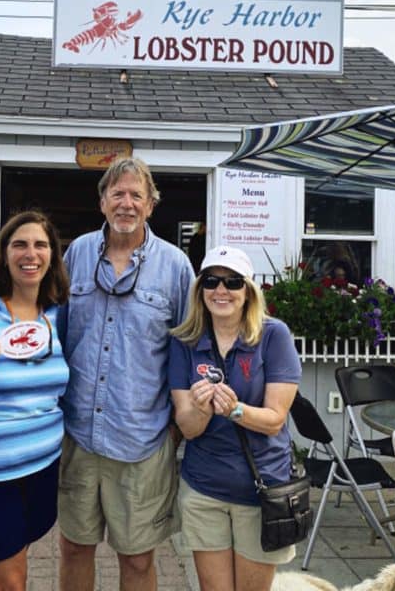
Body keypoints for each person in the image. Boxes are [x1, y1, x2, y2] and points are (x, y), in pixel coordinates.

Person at [58, 157, 195, 591]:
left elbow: (189, 349)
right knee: (74, 549)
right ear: (102, 202)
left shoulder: (175, 267)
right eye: (117, 193)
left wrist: (175, 428)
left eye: (137, 195)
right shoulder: (76, 254)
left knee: (137, 561)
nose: (127, 203)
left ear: (151, 206)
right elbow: (55, 337)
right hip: (78, 434)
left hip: (142, 440)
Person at [169, 245, 302, 591]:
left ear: (248, 291)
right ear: (200, 290)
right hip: (204, 489)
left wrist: (235, 410)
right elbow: (188, 428)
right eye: (211, 281)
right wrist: (200, 409)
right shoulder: (185, 342)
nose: (221, 290)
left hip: (262, 491)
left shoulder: (274, 335)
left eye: (232, 282)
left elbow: (275, 419)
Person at [0, 210, 71, 590]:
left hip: (40, 469)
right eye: (19, 244)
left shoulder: (54, 315)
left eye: (41, 245)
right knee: (9, 579)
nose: (30, 254)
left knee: (1, 569)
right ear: (3, 253)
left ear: (53, 255)